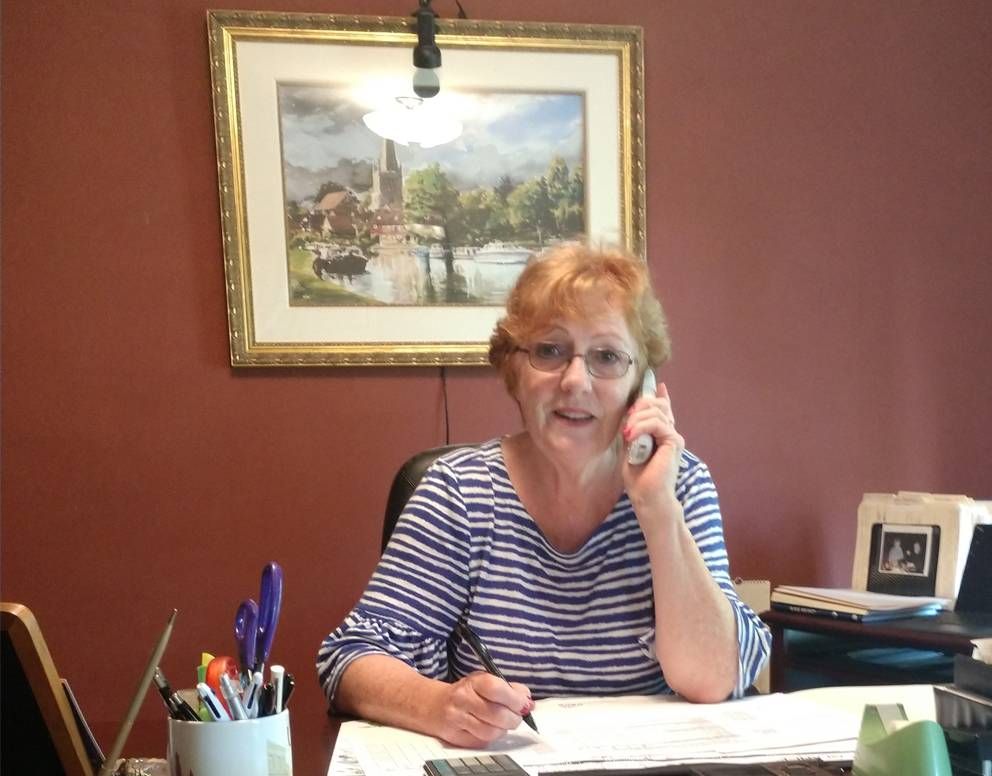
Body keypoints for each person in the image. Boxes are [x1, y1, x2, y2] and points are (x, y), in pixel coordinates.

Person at [317, 244, 771, 747]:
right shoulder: (459, 492)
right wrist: (440, 706)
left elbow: (712, 679)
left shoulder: (679, 483)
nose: (575, 381)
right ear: (514, 370)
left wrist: (657, 508)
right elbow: (351, 657)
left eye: (607, 357)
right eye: (549, 351)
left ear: (642, 383)